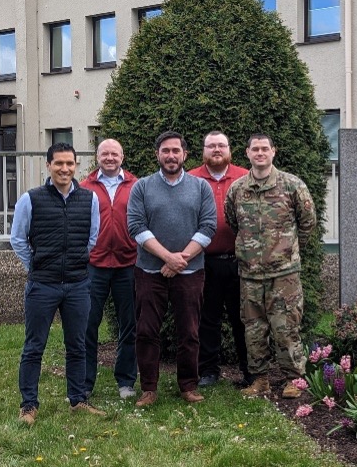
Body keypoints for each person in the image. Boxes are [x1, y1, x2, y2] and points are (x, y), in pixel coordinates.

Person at [11, 142, 106, 424]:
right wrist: (37, 265)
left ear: (76, 166)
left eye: (70, 163)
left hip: (77, 285)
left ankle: (78, 400)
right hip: (42, 285)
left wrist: (74, 262)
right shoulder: (31, 199)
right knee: (33, 346)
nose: (64, 169)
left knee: (77, 345)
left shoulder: (89, 200)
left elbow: (92, 237)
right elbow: (18, 239)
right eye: (59, 163)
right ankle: (28, 405)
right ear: (48, 165)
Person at [127, 131, 216, 406]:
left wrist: (182, 260)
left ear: (185, 154)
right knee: (146, 331)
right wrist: (168, 257)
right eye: (165, 151)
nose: (171, 155)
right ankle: (149, 389)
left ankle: (188, 385)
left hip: (190, 272)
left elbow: (208, 226)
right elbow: (136, 227)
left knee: (189, 332)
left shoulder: (201, 187)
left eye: (176, 150)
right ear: (157, 155)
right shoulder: (141, 187)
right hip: (149, 272)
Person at [224, 133, 316, 398]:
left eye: (265, 148)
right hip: (250, 274)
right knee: (253, 329)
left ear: (273, 152)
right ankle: (260, 379)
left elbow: (307, 223)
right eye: (255, 149)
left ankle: (294, 380)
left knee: (286, 327)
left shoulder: (292, 185)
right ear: (248, 153)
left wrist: (287, 250)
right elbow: (233, 222)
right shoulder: (238, 189)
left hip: (284, 274)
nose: (260, 153)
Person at [188, 131, 251, 388]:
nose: (216, 150)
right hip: (204, 261)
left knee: (243, 319)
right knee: (207, 319)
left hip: (239, 261)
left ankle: (249, 372)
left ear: (229, 149)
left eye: (221, 145)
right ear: (203, 150)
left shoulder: (245, 177)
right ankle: (209, 371)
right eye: (211, 146)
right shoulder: (191, 179)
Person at [80, 139, 138, 400]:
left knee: (130, 325)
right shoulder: (84, 187)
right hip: (95, 266)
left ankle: (126, 382)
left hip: (128, 264)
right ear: (97, 157)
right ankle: (84, 383)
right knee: (87, 325)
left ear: (122, 157)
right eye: (105, 154)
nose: (110, 158)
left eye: (114, 153)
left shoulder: (136, 186)